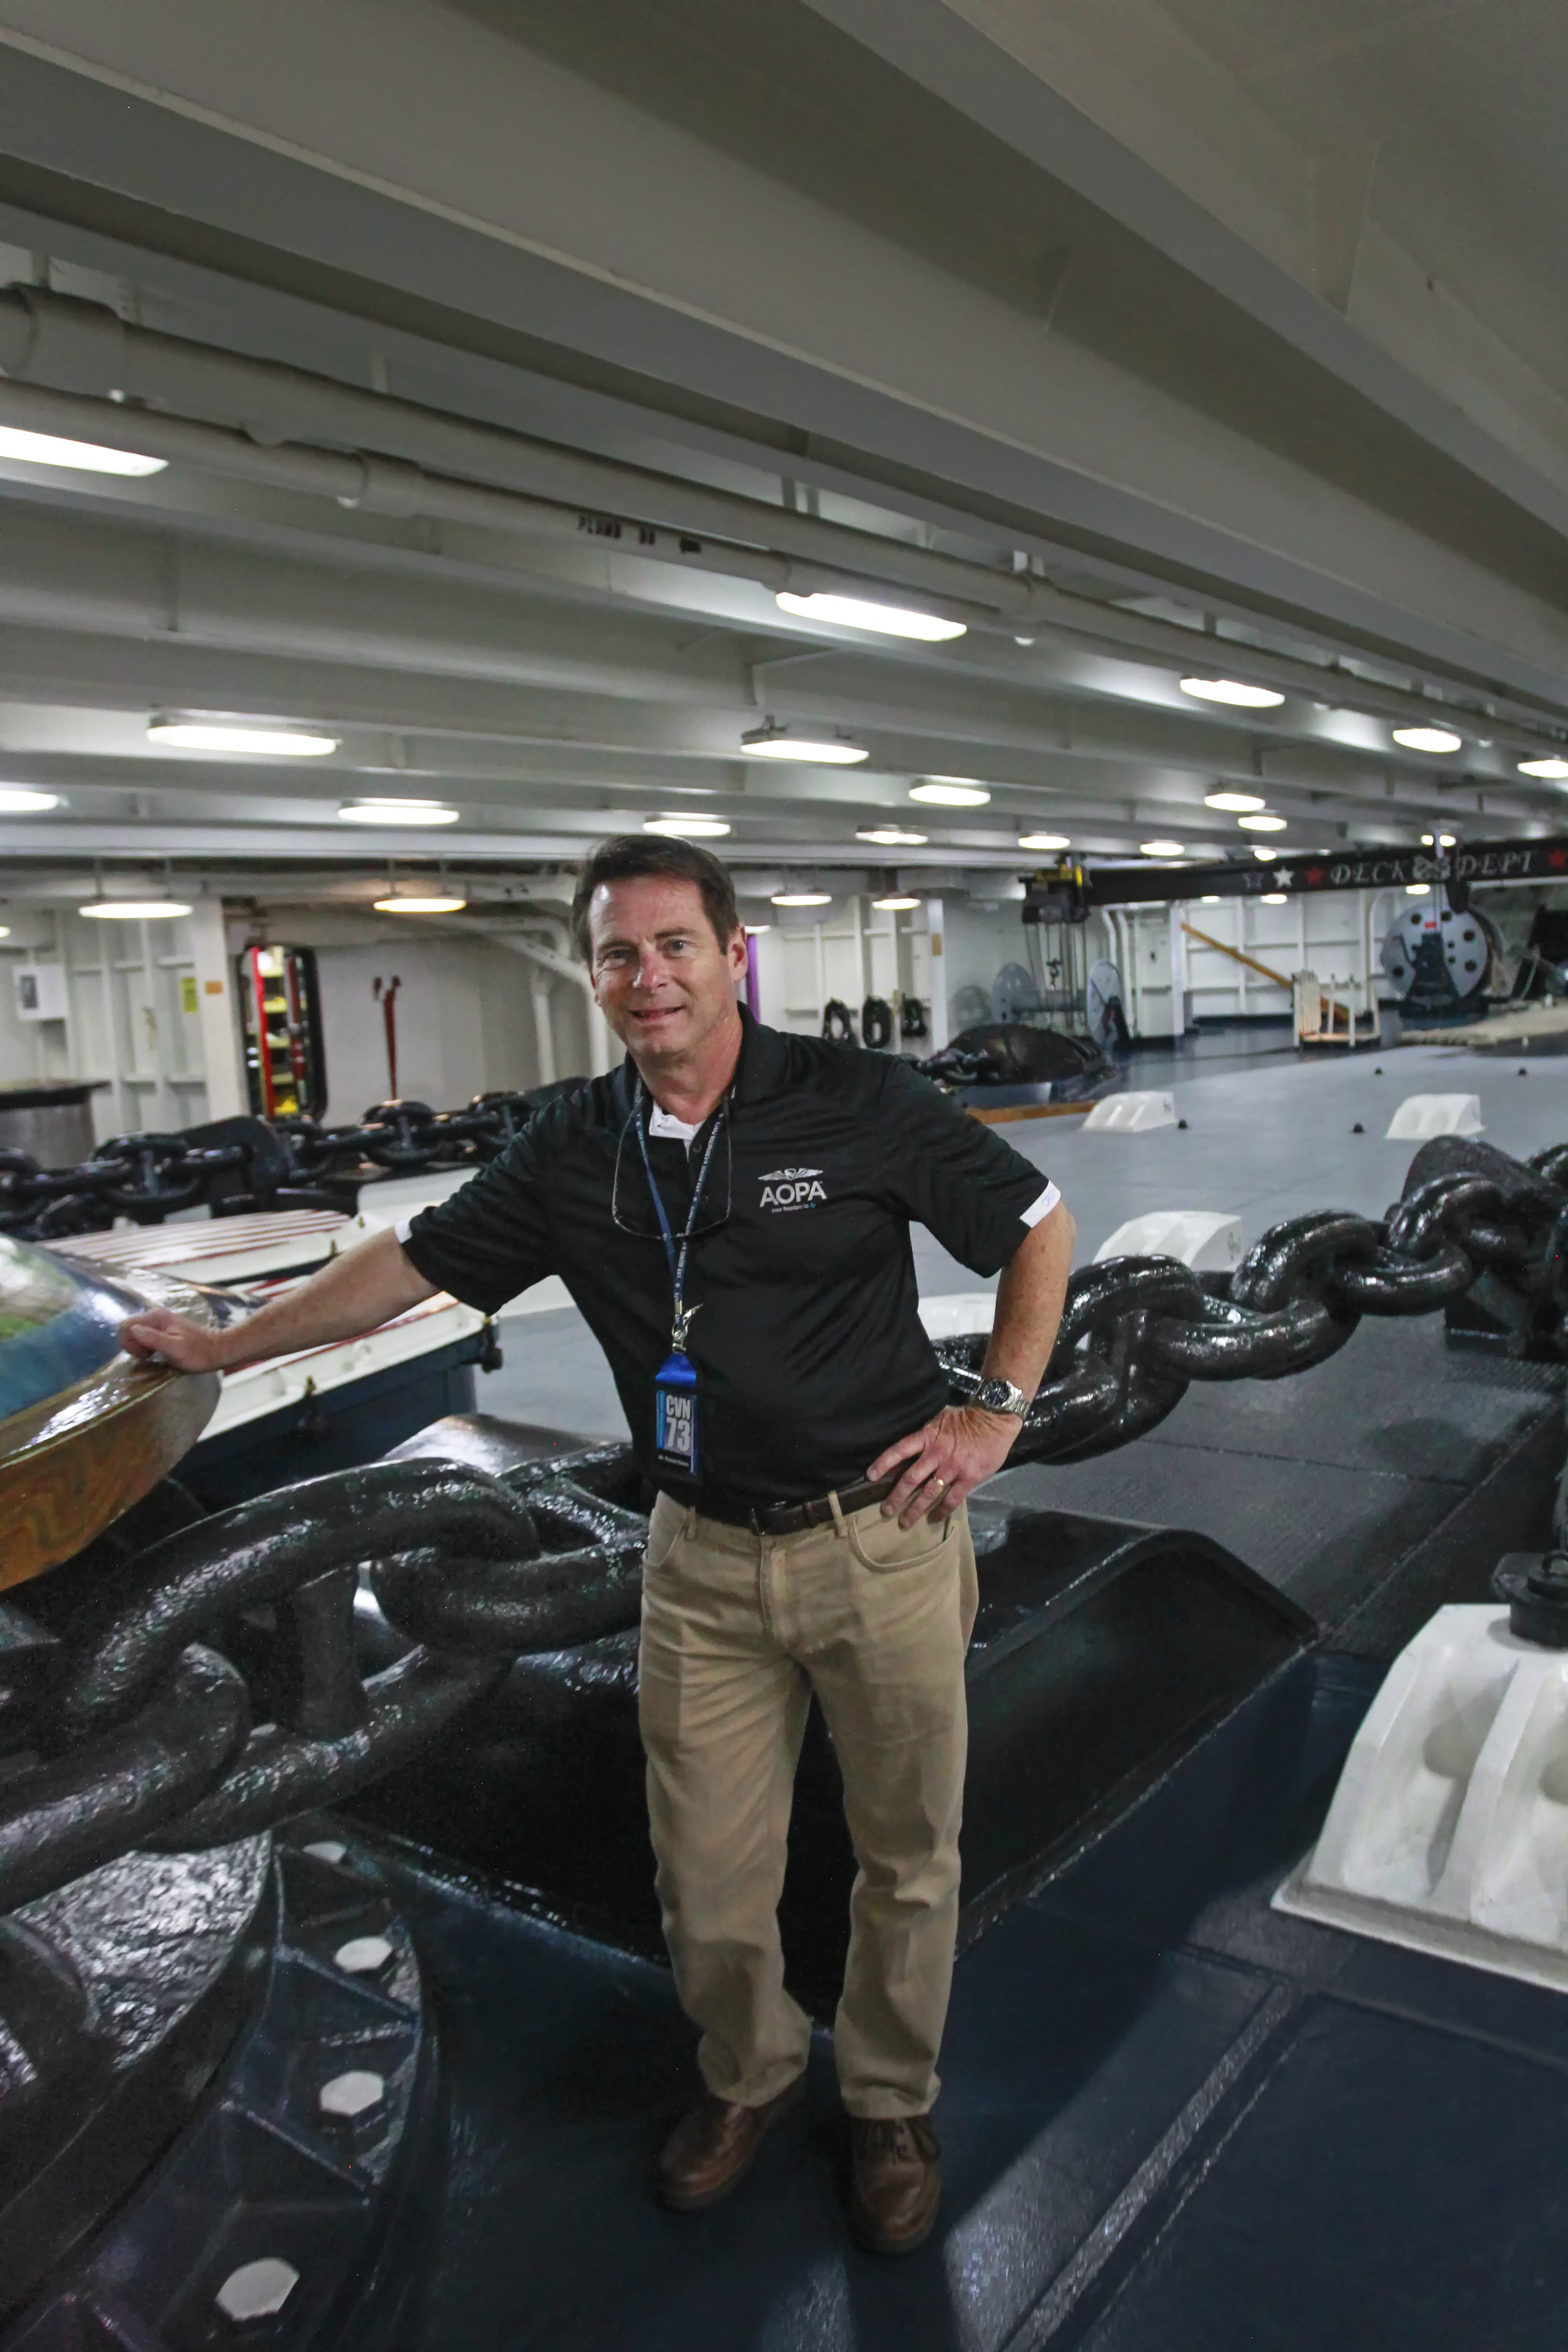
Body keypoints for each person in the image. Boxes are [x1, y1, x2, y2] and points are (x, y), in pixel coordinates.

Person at [121, 837, 1074, 2255]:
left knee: (907, 1848)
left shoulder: (852, 1100)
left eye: (676, 945)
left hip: (881, 1537)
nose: (650, 977)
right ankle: (745, 2076)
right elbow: (411, 1266)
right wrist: (228, 1343)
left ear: (732, 954)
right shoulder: (578, 1143)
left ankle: (887, 2101)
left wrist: (993, 1413)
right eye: (619, 953)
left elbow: (1040, 1228)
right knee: (703, 1861)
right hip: (697, 1556)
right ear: (595, 974)